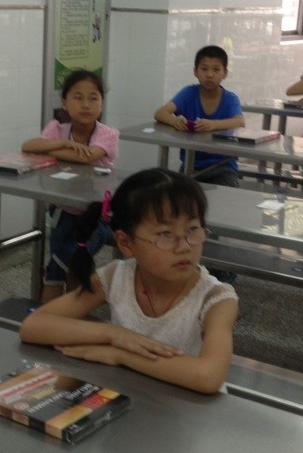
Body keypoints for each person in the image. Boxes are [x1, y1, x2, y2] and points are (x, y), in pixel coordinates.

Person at [19, 168, 238, 394]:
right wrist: (113, 334)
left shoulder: (216, 298)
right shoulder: (117, 276)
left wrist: (121, 355)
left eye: (193, 230)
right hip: (126, 396)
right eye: (165, 234)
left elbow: (208, 377)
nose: (184, 247)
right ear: (126, 243)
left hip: (187, 406)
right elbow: (33, 326)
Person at [22, 70, 119, 303]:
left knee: (70, 264)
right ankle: (56, 317)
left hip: (97, 214)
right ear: (65, 103)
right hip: (62, 210)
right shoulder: (58, 129)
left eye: (93, 98)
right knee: (62, 266)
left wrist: (51, 150)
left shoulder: (108, 134)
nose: (86, 104)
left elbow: (87, 157)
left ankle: (68, 314)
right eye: (78, 97)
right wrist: (63, 144)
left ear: (102, 103)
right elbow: (28, 147)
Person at [153, 44, 245, 186]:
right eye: (204, 69)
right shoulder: (188, 93)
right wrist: (175, 121)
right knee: (177, 194)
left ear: (225, 73)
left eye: (216, 69)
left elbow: (239, 122)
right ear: (195, 71)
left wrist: (213, 125)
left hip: (223, 167)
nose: (209, 75)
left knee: (226, 196)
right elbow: (160, 113)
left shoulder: (230, 99)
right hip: (190, 166)